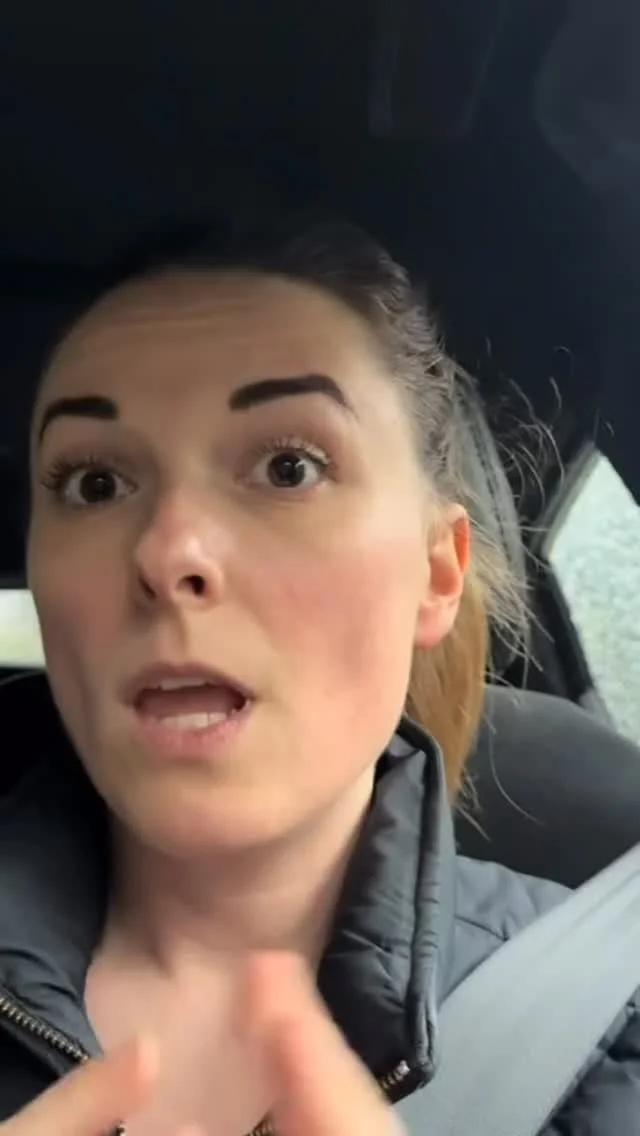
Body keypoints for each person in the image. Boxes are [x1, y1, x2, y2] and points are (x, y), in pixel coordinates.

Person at [0, 214, 637, 1136]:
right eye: (94, 484)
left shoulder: (610, 1029)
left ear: (437, 573)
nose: (168, 553)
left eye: (288, 467)